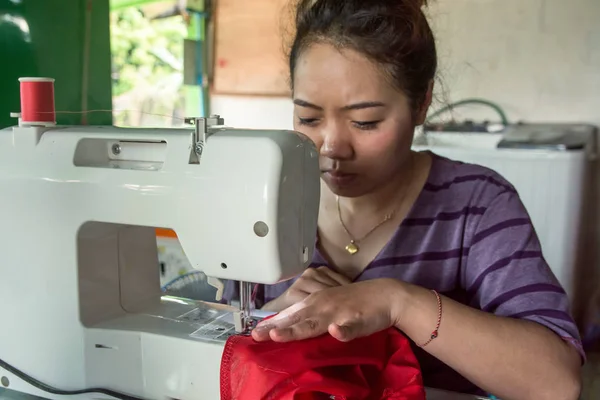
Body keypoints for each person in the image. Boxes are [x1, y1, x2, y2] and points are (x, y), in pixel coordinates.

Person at [223, 0, 584, 398]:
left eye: (365, 122)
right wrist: (276, 315)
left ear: (422, 103)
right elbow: (209, 337)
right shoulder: (259, 199)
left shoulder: (477, 205)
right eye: (308, 118)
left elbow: (557, 383)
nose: (331, 147)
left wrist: (399, 302)